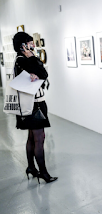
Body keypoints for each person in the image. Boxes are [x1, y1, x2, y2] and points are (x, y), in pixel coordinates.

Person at [12, 32, 58, 184]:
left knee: (32, 137)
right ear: (22, 45)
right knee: (39, 138)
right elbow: (43, 72)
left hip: (34, 103)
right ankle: (43, 173)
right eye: (29, 42)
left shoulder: (25, 59)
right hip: (33, 104)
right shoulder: (22, 60)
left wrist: (33, 60)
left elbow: (42, 74)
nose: (33, 45)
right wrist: (32, 58)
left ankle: (32, 168)